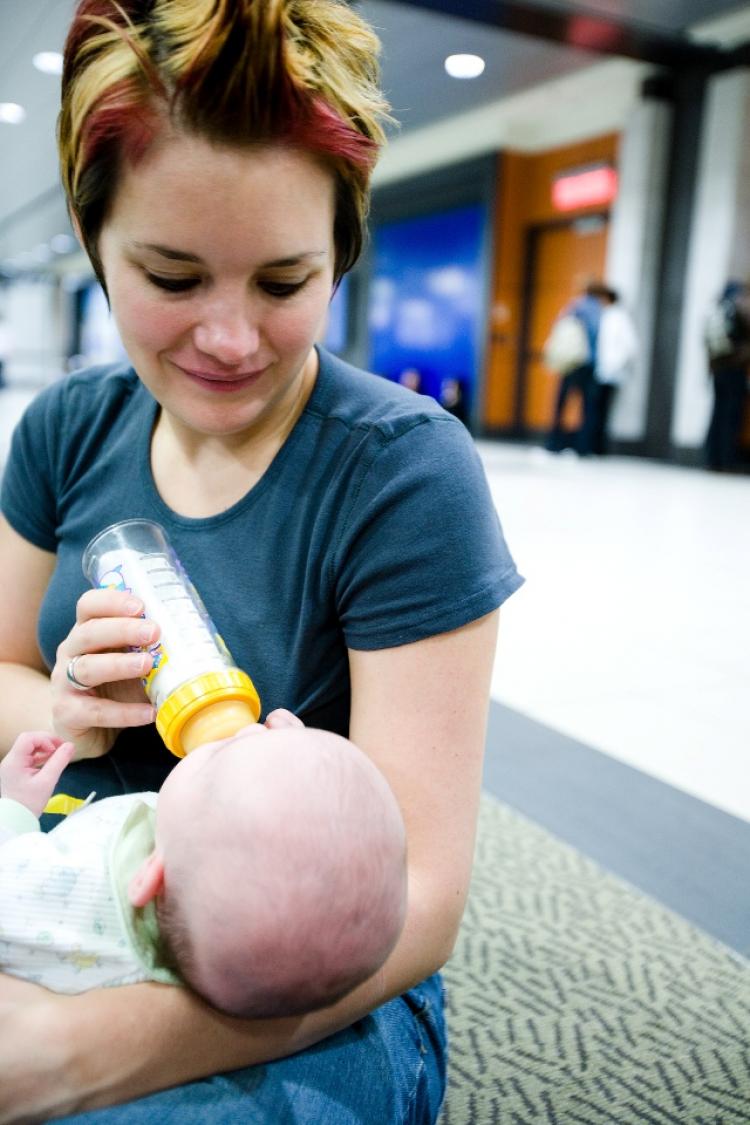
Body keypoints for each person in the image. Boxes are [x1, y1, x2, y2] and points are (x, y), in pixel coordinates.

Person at [0, 1, 523, 1121]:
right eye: (173, 278)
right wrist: (67, 709)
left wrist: (67, 1052)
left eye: (284, 284)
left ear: (341, 257)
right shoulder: (67, 432)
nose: (231, 340)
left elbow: (421, 898)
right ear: (94, 243)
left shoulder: (400, 473)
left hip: (310, 982)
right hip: (69, 878)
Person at [0, 718, 407, 1018]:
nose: (249, 729)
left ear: (150, 877)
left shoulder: (66, 891)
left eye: (222, 755)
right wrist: (286, 760)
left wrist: (13, 805)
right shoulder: (225, 946)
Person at [545, 281, 609, 456]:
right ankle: (583, 446)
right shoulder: (600, 311)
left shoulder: (576, 306)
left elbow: (560, 327)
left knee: (562, 403)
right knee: (588, 407)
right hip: (589, 364)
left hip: (571, 361)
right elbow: (598, 336)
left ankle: (554, 443)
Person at [703, 280, 750, 472]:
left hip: (717, 371)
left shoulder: (716, 311)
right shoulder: (737, 312)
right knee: (731, 416)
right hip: (734, 370)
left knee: (717, 414)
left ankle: (712, 459)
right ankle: (727, 460)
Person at [591, 287, 638, 456]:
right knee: (598, 409)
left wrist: (614, 364)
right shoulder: (608, 316)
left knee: (602, 410)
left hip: (610, 371)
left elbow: (630, 346)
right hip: (604, 371)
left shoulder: (618, 317)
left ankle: (598, 448)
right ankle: (595, 446)